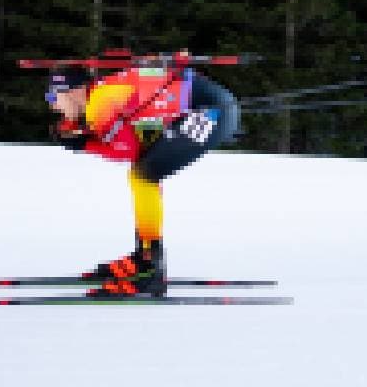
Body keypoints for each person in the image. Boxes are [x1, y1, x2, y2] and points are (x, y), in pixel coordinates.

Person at [46, 61, 240, 297]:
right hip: (211, 105)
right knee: (143, 172)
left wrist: (84, 143)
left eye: (53, 96)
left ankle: (151, 270)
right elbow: (133, 147)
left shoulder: (100, 103)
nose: (53, 106)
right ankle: (145, 258)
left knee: (144, 175)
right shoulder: (102, 94)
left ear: (74, 91)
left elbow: (127, 151)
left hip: (212, 111)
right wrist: (85, 140)